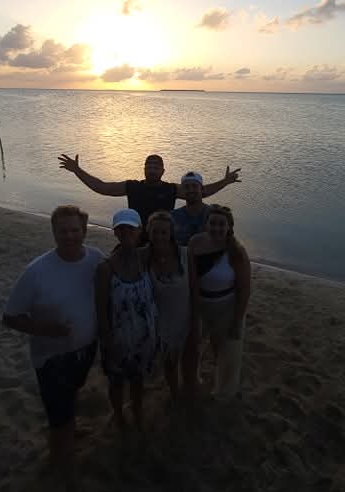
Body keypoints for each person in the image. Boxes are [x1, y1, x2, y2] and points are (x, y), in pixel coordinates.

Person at [2, 205, 104, 467]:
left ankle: (72, 426)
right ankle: (59, 460)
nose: (69, 236)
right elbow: (10, 316)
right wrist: (46, 329)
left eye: (74, 230)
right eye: (63, 231)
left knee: (73, 394)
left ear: (84, 231)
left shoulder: (96, 259)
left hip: (85, 349)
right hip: (52, 357)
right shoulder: (37, 271)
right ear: (54, 233)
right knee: (57, 418)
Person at [95, 208, 158, 431]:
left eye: (131, 229)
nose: (126, 233)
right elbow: (101, 310)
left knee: (138, 380)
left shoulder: (145, 258)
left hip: (144, 336)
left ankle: (138, 411)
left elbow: (171, 244)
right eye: (121, 229)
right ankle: (119, 414)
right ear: (115, 233)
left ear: (140, 231)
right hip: (118, 339)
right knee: (117, 382)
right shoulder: (106, 268)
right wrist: (108, 342)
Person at [57, 152, 241, 226]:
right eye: (149, 166)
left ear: (163, 171)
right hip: (134, 236)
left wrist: (224, 182)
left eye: (156, 166)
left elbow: (201, 193)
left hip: (163, 238)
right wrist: (77, 171)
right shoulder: (133, 186)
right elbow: (102, 187)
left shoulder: (171, 189)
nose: (152, 169)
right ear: (144, 169)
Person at [188, 204, 251, 400]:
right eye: (212, 223)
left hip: (227, 307)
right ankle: (193, 380)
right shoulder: (195, 243)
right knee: (193, 346)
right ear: (206, 224)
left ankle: (223, 391)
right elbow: (191, 280)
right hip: (200, 305)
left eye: (221, 224)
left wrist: (237, 320)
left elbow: (244, 290)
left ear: (229, 227)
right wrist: (194, 309)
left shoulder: (237, 252)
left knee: (228, 352)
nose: (216, 227)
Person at [142, 211, 196, 402]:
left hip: (185, 318)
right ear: (148, 233)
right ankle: (174, 393)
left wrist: (196, 319)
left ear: (171, 233)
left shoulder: (185, 253)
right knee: (169, 363)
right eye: (155, 232)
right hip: (160, 323)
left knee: (189, 360)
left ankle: (190, 389)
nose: (159, 236)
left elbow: (194, 287)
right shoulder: (144, 257)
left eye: (164, 232)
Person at [170, 171, 211, 246]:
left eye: (194, 186)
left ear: (202, 189)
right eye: (186, 187)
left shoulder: (213, 214)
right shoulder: (173, 216)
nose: (191, 190)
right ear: (182, 190)